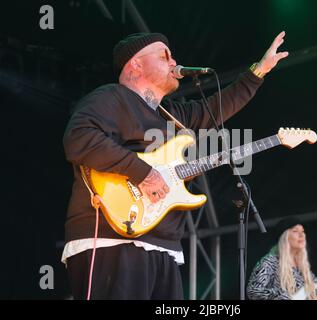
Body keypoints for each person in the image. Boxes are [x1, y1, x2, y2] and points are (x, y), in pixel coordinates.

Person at [62, 31, 289, 300]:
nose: (174, 62)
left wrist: (258, 71)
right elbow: (79, 139)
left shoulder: (173, 113)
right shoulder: (111, 97)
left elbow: (216, 108)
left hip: (164, 243)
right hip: (111, 236)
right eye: (164, 56)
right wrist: (143, 172)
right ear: (135, 64)